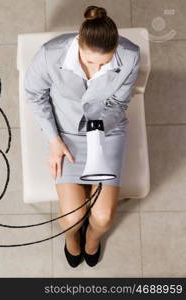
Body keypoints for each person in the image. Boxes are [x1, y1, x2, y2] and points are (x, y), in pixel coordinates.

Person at [23, 5, 141, 268]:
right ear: (79, 44)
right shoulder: (50, 55)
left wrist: (97, 133)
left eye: (105, 63)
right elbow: (34, 95)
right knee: (71, 217)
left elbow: (119, 104)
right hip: (65, 132)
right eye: (91, 62)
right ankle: (71, 240)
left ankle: (92, 240)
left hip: (106, 131)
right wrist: (54, 141)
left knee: (104, 217)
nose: (98, 68)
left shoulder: (130, 55)